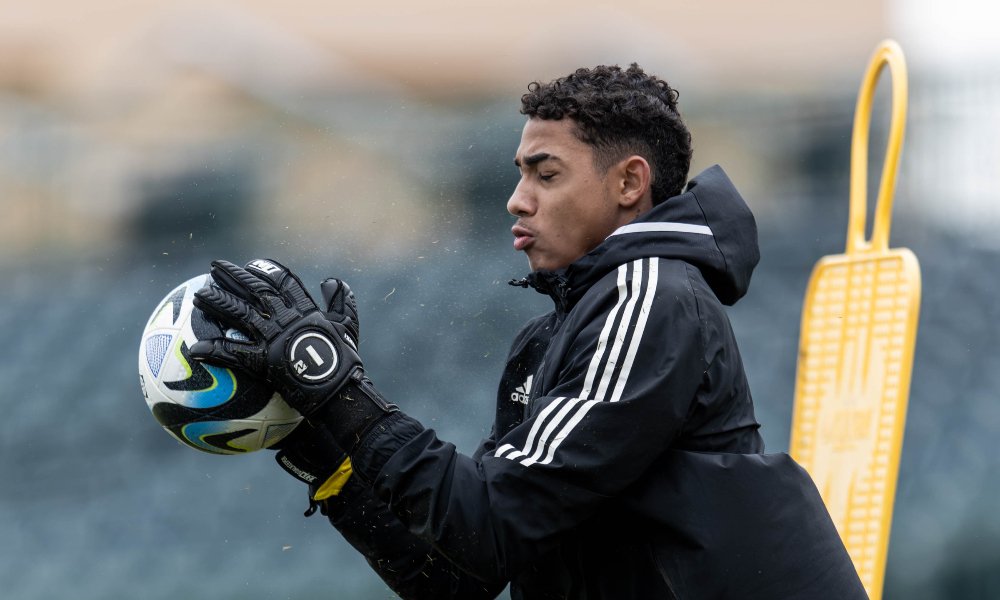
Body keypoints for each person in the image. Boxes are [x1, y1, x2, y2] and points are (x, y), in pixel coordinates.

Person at [189, 64, 868, 599]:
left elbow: (490, 524)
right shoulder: (547, 341)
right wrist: (324, 438)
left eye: (546, 174)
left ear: (631, 182)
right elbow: (458, 575)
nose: (518, 199)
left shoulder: (652, 298)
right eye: (520, 176)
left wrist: (335, 385)